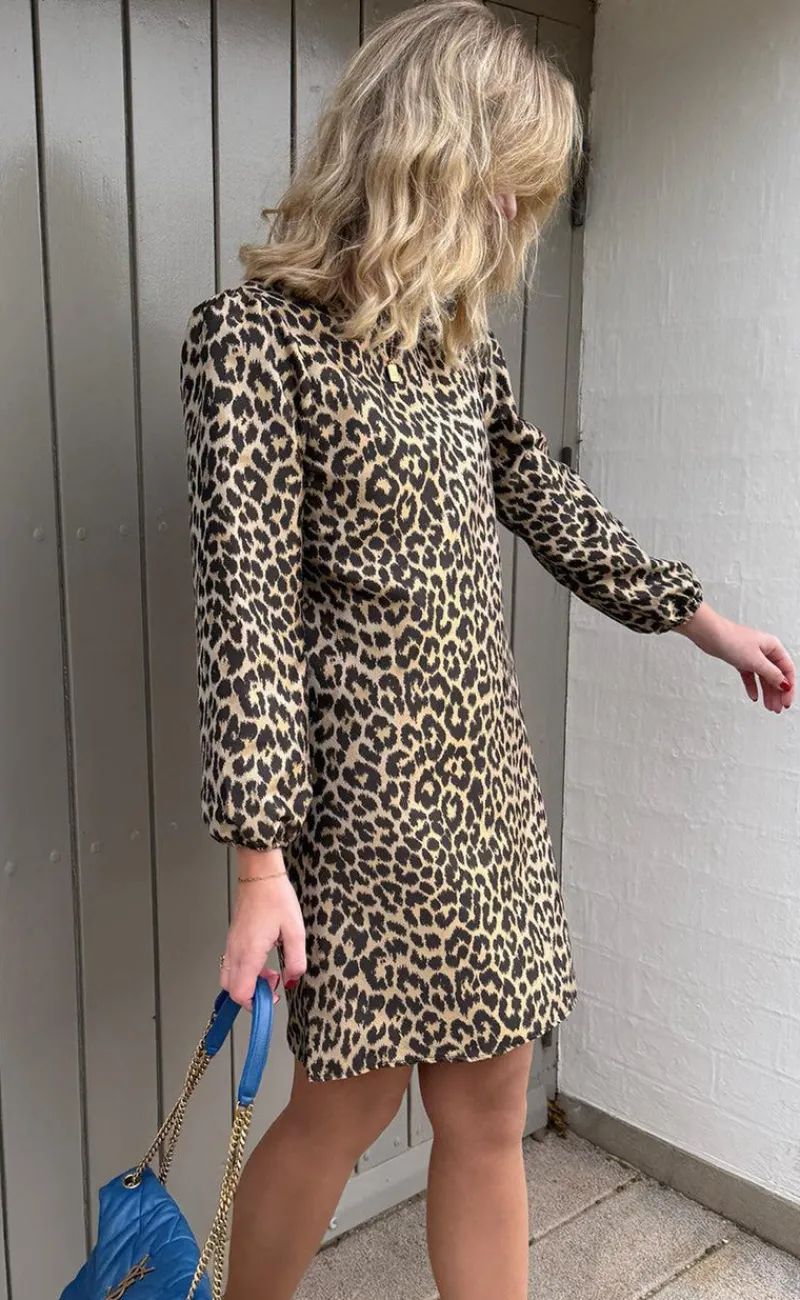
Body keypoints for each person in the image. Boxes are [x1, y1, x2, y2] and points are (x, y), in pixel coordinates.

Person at [179, 3, 795, 1297]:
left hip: (487, 791)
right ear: (435, 157)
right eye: (511, 183)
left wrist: (699, 618)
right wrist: (258, 864)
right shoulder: (252, 343)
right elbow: (248, 620)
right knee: (345, 1107)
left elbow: (544, 500)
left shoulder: (455, 348)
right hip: (363, 809)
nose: (520, 217)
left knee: (490, 1101)